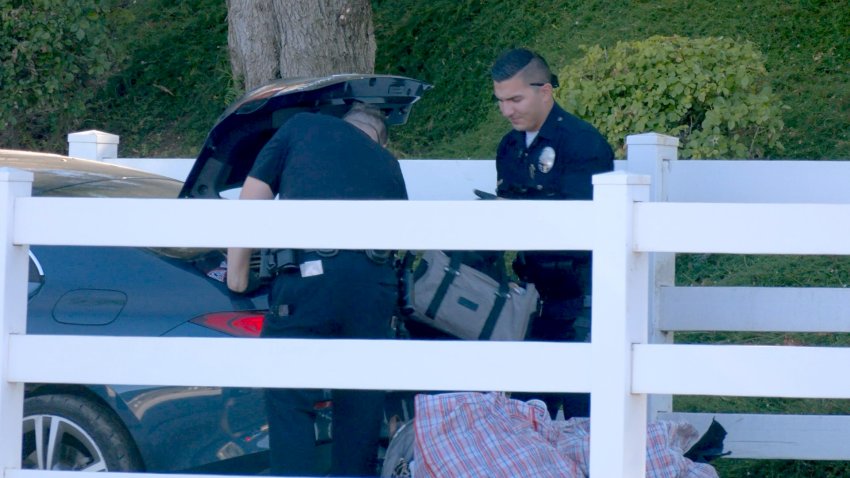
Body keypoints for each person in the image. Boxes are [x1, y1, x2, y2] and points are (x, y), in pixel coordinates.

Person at [226, 104, 407, 477]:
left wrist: (238, 276)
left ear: (345, 124)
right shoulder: (389, 165)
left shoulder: (302, 126)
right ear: (380, 139)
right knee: (359, 409)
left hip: (311, 279)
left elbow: (252, 200)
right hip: (374, 291)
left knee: (290, 399)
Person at [490, 48, 614, 420]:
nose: (508, 110)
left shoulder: (582, 142)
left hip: (581, 296)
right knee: (525, 413)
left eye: (515, 99)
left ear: (545, 92)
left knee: (586, 416)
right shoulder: (509, 147)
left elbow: (583, 224)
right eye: (500, 101)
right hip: (531, 297)